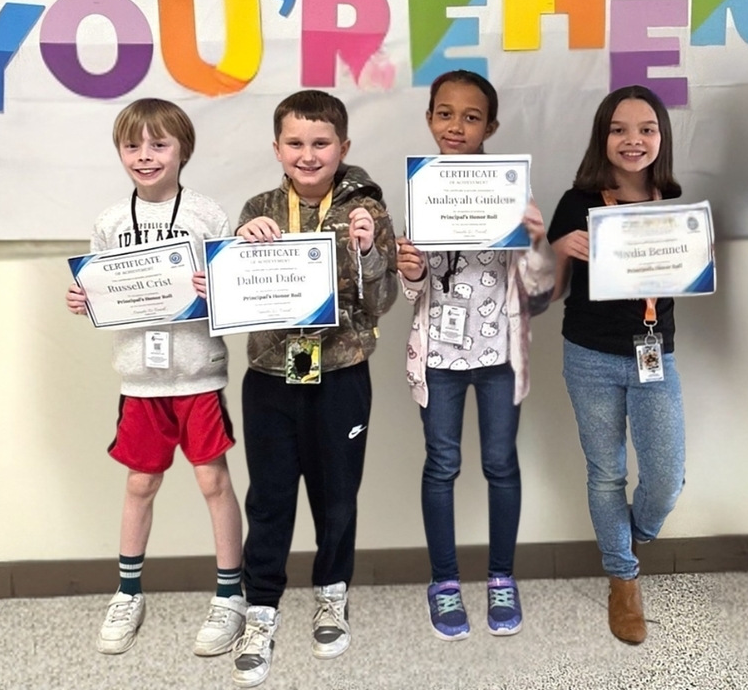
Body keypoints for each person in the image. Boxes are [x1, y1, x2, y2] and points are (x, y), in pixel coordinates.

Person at [228, 89, 398, 689]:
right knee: (269, 499)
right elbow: (235, 298)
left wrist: (370, 249)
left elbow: (381, 302)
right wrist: (240, 248)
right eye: (295, 143)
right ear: (277, 148)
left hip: (342, 374)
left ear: (343, 147)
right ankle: (262, 609)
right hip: (272, 377)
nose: (308, 154)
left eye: (321, 143)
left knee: (338, 495)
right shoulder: (258, 207)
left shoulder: (368, 210)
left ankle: (331, 594)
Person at [65, 98, 245, 657]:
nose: (145, 156)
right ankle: (127, 591)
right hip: (140, 380)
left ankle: (230, 595)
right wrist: (84, 298)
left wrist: (217, 291)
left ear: (182, 150)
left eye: (158, 144)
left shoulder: (209, 216)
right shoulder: (110, 222)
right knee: (139, 483)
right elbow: (102, 292)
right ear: (120, 152)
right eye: (132, 145)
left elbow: (240, 292)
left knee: (213, 482)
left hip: (197, 375)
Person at [396, 70, 554, 641]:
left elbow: (536, 289)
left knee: (499, 465)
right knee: (442, 466)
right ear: (430, 118)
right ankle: (443, 583)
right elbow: (417, 287)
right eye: (445, 113)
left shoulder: (512, 189)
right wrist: (410, 270)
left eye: (470, 116)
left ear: (491, 125)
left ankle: (501, 578)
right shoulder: (420, 189)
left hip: (498, 355)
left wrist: (536, 241)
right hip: (438, 356)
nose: (456, 126)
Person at [547, 85, 686, 645]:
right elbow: (554, 294)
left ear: (661, 138)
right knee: (606, 472)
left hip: (654, 355)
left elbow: (684, 278)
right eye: (620, 129)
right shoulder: (575, 202)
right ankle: (622, 580)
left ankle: (628, 538)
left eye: (646, 129)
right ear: (603, 136)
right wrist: (561, 249)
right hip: (589, 355)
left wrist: (696, 258)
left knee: (667, 476)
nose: (633, 140)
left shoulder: (676, 203)